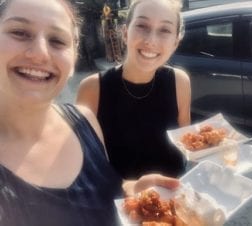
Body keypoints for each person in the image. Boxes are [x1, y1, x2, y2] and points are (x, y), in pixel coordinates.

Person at [0, 0, 180, 226]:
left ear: (74, 56)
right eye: (19, 32)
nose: (40, 53)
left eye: (57, 40)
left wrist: (130, 189)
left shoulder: (84, 120)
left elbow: (98, 193)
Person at [76, 0, 191, 179]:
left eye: (165, 30)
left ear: (175, 42)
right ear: (124, 32)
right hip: (123, 202)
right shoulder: (92, 88)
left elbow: (187, 143)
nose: (151, 40)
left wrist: (217, 152)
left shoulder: (179, 81)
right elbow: (88, 164)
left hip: (176, 197)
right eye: (142, 26)